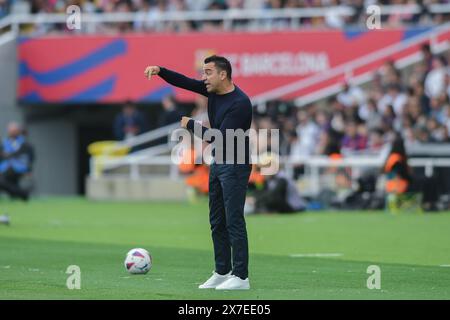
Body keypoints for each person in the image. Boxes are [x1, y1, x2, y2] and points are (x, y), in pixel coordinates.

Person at [144, 55, 253, 290]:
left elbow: (221, 139)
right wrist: (161, 69)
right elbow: (184, 82)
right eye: (203, 72)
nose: (204, 77)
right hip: (218, 162)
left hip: (236, 164)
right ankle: (222, 271)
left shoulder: (240, 103)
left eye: (208, 72)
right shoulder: (211, 91)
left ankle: (241, 277)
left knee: (233, 220)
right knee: (216, 221)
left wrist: (191, 125)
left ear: (223, 74)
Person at [0, 122, 34, 201]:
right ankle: (19, 194)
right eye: (11, 131)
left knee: (2, 181)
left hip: (18, 167)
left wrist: (29, 170)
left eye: (14, 131)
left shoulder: (24, 143)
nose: (12, 132)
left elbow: (30, 157)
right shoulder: (4, 142)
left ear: (18, 131)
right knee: (6, 183)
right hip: (5, 167)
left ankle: (23, 194)